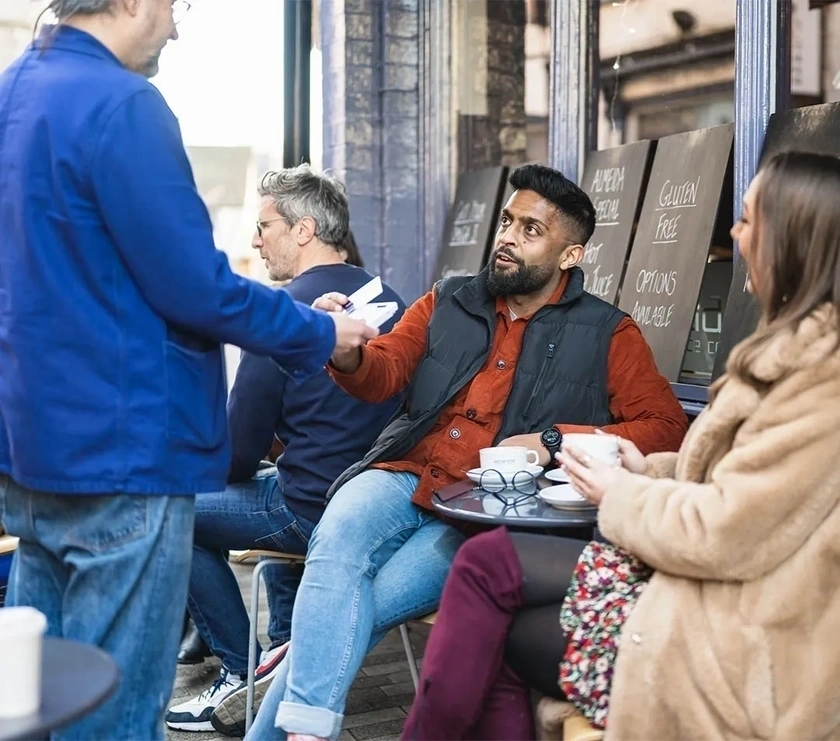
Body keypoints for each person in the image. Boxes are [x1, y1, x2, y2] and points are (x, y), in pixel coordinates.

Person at [0, 3, 375, 740]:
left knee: (43, 702)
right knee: (114, 708)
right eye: (176, 5)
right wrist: (320, 331)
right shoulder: (124, 104)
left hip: (32, 453)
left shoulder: (13, 89)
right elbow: (195, 288)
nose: (177, 26)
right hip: (123, 454)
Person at [237, 163, 689, 741]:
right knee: (338, 537)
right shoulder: (447, 300)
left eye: (531, 230)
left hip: (483, 507)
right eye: (507, 221)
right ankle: (309, 731)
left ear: (570, 255)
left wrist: (556, 440)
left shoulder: (609, 332)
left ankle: (290, 700)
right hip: (402, 471)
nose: (507, 236)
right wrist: (345, 351)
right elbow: (383, 372)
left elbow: (665, 426)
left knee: (355, 608)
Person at [401, 150, 840, 741]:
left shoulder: (819, 379)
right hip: (703, 584)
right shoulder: (793, 354)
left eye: (750, 220)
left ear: (794, 241)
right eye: (508, 222)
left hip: (736, 632)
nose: (734, 235)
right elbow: (748, 487)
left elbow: (726, 533)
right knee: (484, 570)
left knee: (487, 601)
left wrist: (622, 491)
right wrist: (654, 469)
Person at [166, 166, 406, 733]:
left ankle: (235, 670)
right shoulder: (396, 300)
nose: (255, 239)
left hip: (311, 509)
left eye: (264, 224)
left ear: (303, 231)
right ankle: (285, 648)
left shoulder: (284, 319)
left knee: (174, 511)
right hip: (378, 505)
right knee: (279, 477)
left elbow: (237, 457)